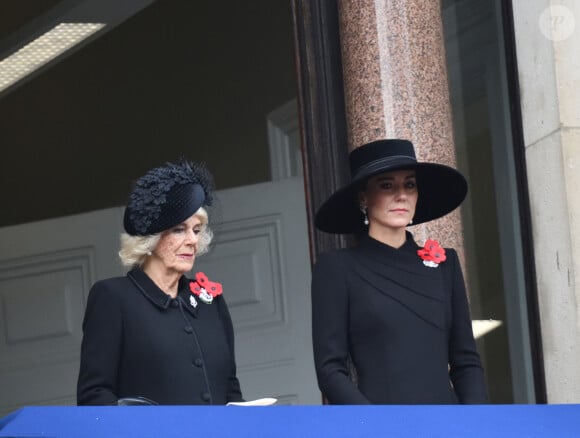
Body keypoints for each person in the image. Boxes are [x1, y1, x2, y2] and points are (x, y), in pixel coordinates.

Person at [311, 139, 488, 405]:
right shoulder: (338, 268)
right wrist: (373, 426)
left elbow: (466, 361)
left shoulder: (445, 264)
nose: (401, 195)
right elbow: (330, 369)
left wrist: (475, 424)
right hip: (381, 426)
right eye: (386, 185)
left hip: (448, 426)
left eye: (410, 184)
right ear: (363, 197)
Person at [77, 160, 243, 405]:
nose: (192, 240)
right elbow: (94, 395)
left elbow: (230, 388)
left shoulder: (211, 301)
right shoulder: (113, 298)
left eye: (196, 230)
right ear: (150, 238)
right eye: (179, 229)